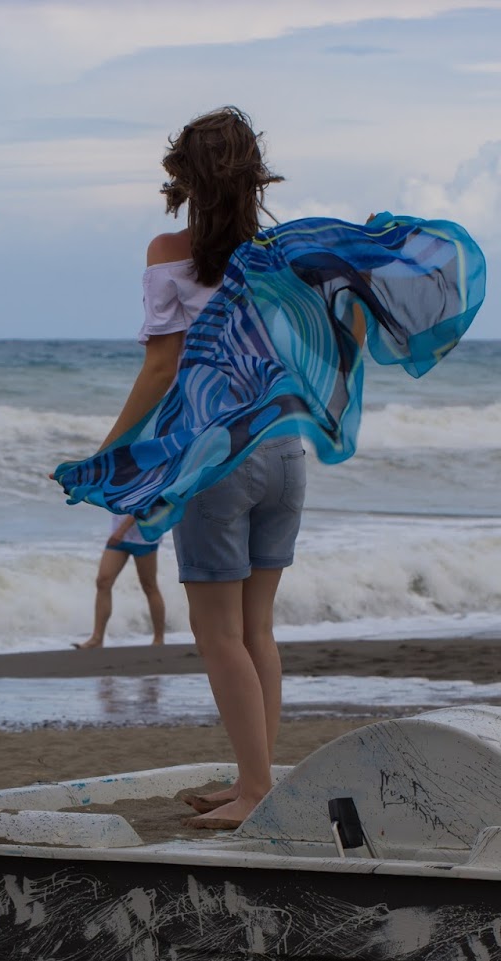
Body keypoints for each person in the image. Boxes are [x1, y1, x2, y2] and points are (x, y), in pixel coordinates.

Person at [53, 107, 485, 830]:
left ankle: (255, 788)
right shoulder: (291, 256)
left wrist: (109, 451)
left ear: (184, 177)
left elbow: (162, 366)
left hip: (218, 465)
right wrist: (367, 252)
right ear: (254, 174)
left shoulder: (169, 250)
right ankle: (259, 783)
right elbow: (345, 334)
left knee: (218, 634)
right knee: (257, 631)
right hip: (285, 458)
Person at [74, 514, 165, 649]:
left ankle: (158, 639)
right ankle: (97, 638)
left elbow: (141, 505)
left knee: (149, 585)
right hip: (119, 536)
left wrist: (121, 531)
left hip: (144, 536)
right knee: (103, 581)